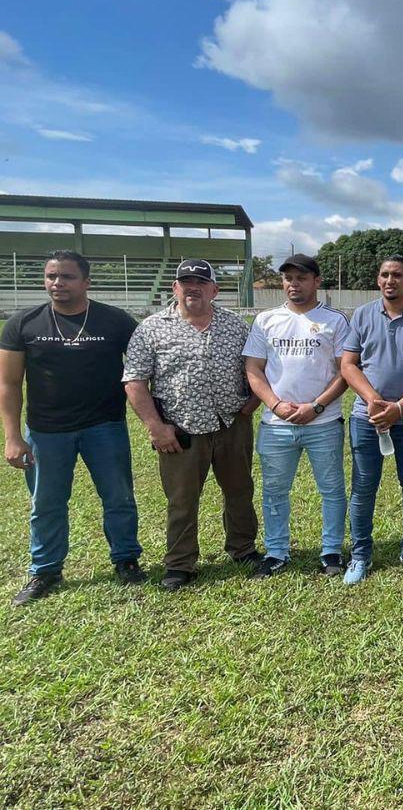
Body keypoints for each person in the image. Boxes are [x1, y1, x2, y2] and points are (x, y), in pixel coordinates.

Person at [1, 251, 145, 606]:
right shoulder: (24, 323)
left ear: (86, 282)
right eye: (51, 276)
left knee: (119, 498)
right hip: (46, 432)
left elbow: (143, 367)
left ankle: (126, 559)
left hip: (105, 426)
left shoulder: (115, 322)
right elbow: (8, 384)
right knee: (46, 504)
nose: (57, 283)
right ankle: (45, 570)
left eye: (66, 277)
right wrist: (13, 436)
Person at [123, 259, 262, 591]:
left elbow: (256, 367)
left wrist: (253, 403)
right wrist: (156, 427)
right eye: (185, 282)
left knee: (240, 492)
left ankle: (243, 550)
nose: (192, 288)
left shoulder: (236, 325)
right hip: (179, 431)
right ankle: (180, 563)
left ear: (214, 290)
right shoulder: (151, 328)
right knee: (182, 499)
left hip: (231, 423)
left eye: (200, 283)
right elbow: (135, 381)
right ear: (175, 288)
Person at [243, 254, 350, 579]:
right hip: (276, 425)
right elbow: (254, 369)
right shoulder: (266, 320)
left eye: (301, 278)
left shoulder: (335, 320)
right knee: (275, 490)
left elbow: (345, 371)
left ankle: (331, 550)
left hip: (323, 422)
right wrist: (275, 404)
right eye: (288, 278)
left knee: (331, 489)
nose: (293, 284)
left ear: (317, 282)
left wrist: (316, 405)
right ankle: (276, 552)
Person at [340, 256, 403, 582]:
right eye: (384, 274)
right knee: (363, 486)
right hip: (366, 418)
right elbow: (349, 365)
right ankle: (360, 555)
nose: (389, 280)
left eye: (397, 275)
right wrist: (373, 400)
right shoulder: (362, 315)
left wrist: (399, 408)